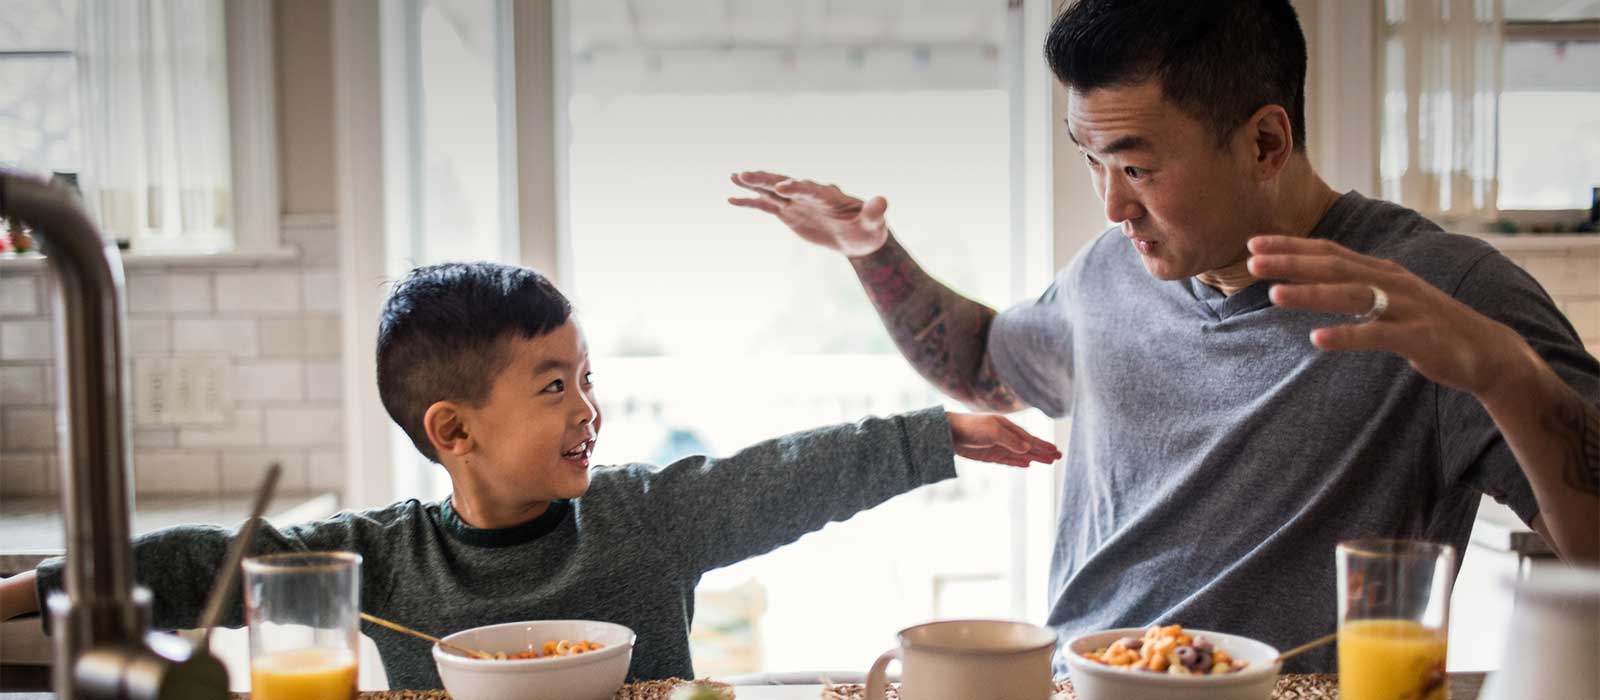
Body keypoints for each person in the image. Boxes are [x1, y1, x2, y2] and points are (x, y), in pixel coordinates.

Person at [728, 0, 1599, 674]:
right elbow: (983, 365)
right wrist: (872, 251)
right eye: (1090, 160)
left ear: (1265, 142)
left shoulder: (1443, 293)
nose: (1113, 207)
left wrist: (1506, 374)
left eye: (1138, 166)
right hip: (1076, 680)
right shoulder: (1110, 271)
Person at [0, 261, 1060, 689]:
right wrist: (29, 589)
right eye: (553, 386)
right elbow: (206, 564)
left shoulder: (641, 515)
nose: (589, 409)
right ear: (453, 429)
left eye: (588, 378)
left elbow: (783, 473)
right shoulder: (381, 557)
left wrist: (933, 437)